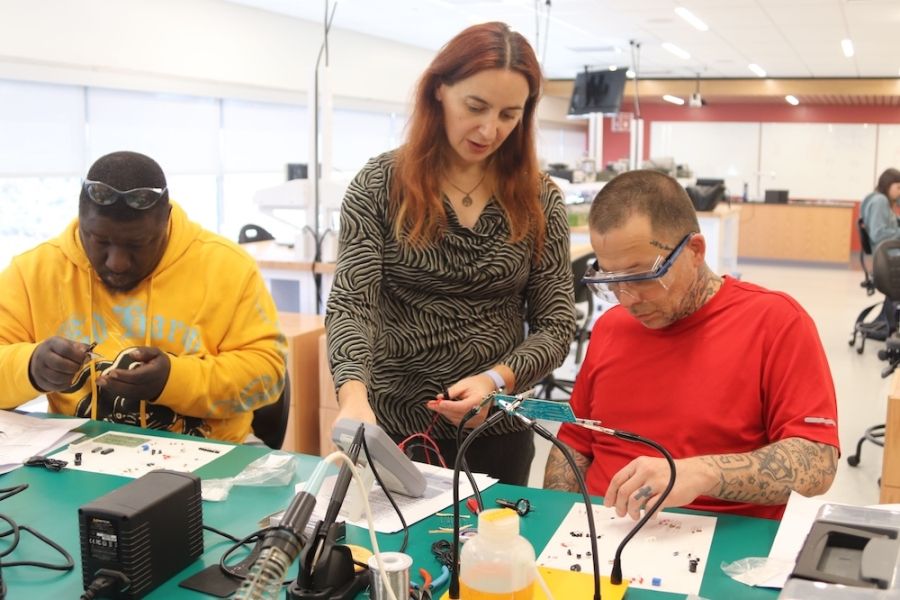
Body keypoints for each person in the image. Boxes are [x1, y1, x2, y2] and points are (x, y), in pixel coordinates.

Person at [325, 21, 576, 485]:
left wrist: (496, 381)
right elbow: (352, 305)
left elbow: (557, 325)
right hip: (393, 426)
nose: (489, 129)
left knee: (492, 552)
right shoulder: (380, 184)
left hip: (496, 429)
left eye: (509, 114)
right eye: (475, 107)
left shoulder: (539, 198)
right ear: (439, 90)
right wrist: (353, 396)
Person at [544, 170, 839, 520]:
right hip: (602, 538)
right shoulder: (611, 327)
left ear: (695, 250)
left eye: (640, 277)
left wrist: (703, 473)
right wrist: (560, 522)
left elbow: (818, 462)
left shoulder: (776, 322)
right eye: (611, 280)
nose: (627, 299)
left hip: (719, 541)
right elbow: (574, 444)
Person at [0, 151, 286, 442]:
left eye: (138, 244)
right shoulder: (33, 272)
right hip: (78, 461)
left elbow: (267, 377)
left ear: (166, 221)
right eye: (99, 241)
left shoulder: (228, 267)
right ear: (81, 218)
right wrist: (30, 367)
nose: (116, 263)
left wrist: (173, 381)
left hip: (213, 458)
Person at [860, 167, 900, 247]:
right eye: (898, 188)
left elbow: (889, 220)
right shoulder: (880, 201)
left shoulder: (879, 199)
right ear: (887, 185)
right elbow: (878, 234)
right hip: (888, 252)